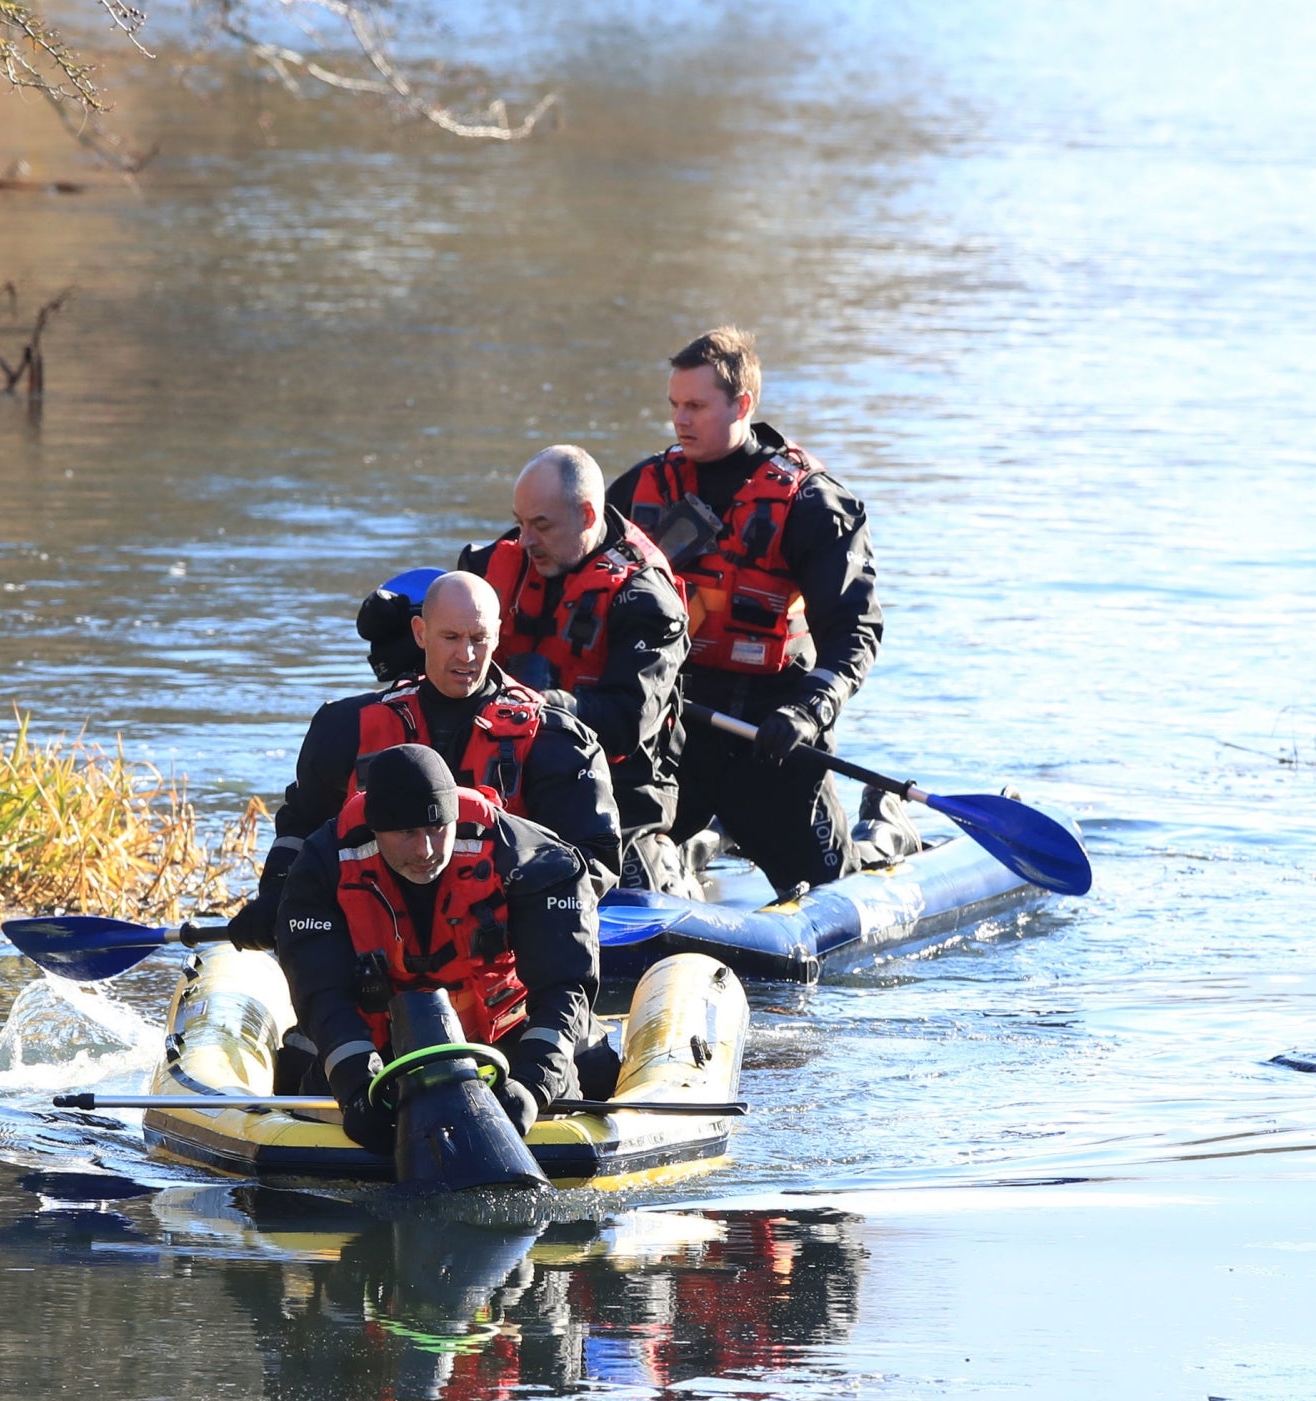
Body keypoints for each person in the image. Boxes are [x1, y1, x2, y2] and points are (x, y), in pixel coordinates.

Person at [606, 327, 920, 896]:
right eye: (675, 405)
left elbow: (856, 631)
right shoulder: (642, 488)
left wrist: (808, 712)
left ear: (742, 404)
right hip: (678, 724)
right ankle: (700, 840)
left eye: (697, 406)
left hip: (771, 733)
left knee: (829, 886)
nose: (681, 420)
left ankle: (887, 831)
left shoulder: (811, 504)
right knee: (622, 854)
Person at [224, 571, 621, 948]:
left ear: (498, 637)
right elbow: (302, 826)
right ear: (420, 633)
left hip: (499, 951)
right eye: (450, 637)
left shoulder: (554, 739)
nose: (466, 654)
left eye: (479, 638)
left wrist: (528, 911)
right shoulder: (345, 727)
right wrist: (277, 895)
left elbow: (593, 858)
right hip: (373, 945)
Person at [274, 744, 610, 1152]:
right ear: (375, 826)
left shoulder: (535, 860)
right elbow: (322, 995)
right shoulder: (321, 865)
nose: (425, 851)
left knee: (575, 1066)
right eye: (406, 832)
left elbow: (564, 987)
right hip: (379, 1055)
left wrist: (533, 1087)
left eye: (437, 828)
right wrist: (357, 1090)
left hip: (509, 1048)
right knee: (316, 1077)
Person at [459, 445, 691, 891]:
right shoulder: (499, 565)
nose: (524, 539)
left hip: (616, 796)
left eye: (541, 525)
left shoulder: (646, 600)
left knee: (628, 888)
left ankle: (677, 860)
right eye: (520, 521)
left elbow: (626, 722)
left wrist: (537, 705)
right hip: (506, 787)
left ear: (587, 516)